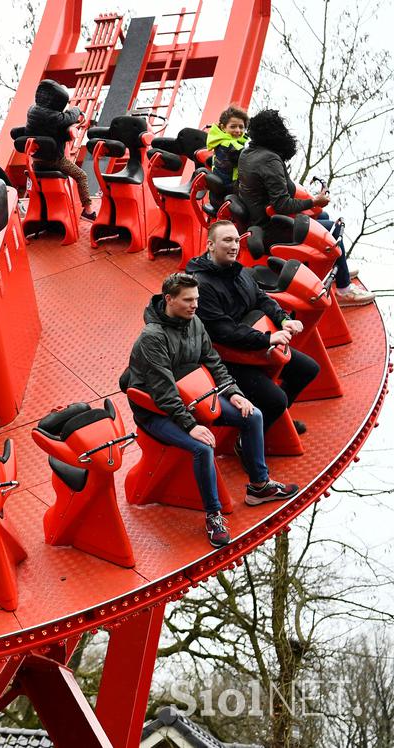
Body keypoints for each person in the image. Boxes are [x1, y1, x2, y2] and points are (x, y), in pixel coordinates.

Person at [122, 273, 300, 548]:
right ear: (169, 299)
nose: (195, 305)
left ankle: (259, 486)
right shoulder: (152, 338)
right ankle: (213, 515)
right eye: (188, 300)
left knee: (252, 415)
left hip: (195, 396)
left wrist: (235, 394)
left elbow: (213, 362)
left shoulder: (194, 322)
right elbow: (163, 392)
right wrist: (190, 425)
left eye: (196, 299)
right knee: (201, 447)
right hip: (157, 410)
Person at [187, 220, 320, 437]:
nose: (234, 246)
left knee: (308, 369)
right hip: (227, 357)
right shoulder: (201, 285)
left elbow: (261, 298)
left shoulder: (239, 271)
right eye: (227, 240)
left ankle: (273, 421)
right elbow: (224, 331)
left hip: (252, 345)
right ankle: (245, 442)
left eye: (237, 240)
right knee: (276, 400)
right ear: (210, 245)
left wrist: (284, 319)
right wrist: (267, 339)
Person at [237, 110, 372, 306]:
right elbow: (282, 205)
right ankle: (344, 290)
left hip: (259, 219)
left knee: (322, 216)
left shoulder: (247, 153)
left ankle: (338, 266)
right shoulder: (269, 159)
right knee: (332, 230)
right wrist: (314, 201)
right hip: (272, 227)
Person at [10, 79, 95, 220]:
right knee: (81, 176)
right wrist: (77, 110)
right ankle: (88, 211)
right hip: (54, 161)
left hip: (35, 163)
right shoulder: (53, 116)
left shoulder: (32, 110)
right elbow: (69, 117)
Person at [206, 105, 248, 203]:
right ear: (223, 127)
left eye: (241, 127)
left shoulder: (221, 141)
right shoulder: (229, 145)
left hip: (217, 195)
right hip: (226, 197)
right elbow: (249, 158)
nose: (238, 130)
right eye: (233, 126)